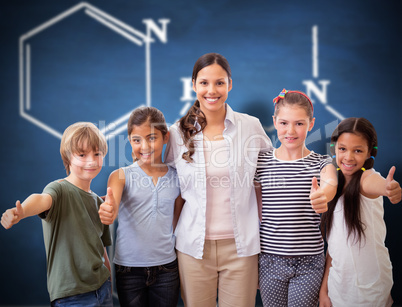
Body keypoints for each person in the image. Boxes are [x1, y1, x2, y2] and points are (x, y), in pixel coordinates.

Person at [164, 52, 273, 307]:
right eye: (204, 83)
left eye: (219, 82)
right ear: (193, 85)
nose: (211, 90)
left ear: (230, 85)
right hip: (192, 249)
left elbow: (269, 177)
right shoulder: (176, 133)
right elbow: (171, 191)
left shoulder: (251, 127)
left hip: (241, 248)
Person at [1, 122, 113, 306]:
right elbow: (41, 199)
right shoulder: (59, 189)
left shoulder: (99, 201)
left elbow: (101, 248)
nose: (91, 161)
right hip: (73, 295)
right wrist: (20, 213)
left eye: (97, 154)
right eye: (82, 155)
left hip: (102, 288)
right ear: (68, 157)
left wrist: (108, 280)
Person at [255, 89, 338, 307]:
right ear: (274, 122)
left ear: (311, 124)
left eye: (299, 124)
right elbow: (252, 208)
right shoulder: (261, 161)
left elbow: (330, 182)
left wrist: (323, 195)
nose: (290, 130)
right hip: (269, 260)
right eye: (284, 123)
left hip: (309, 264)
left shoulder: (322, 162)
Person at [98, 106, 183, 307]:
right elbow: (113, 207)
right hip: (129, 270)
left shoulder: (178, 177)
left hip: (167, 268)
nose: (144, 146)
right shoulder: (120, 176)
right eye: (137, 140)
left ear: (165, 137)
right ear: (130, 141)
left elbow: (178, 223)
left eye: (152, 138)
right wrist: (108, 212)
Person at [319, 117, 401, 307]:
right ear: (334, 149)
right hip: (339, 287)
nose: (348, 157)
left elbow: (379, 185)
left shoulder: (367, 178)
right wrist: (325, 290)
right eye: (342, 149)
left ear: (369, 153)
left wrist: (389, 189)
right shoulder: (333, 185)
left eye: (357, 151)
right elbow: (334, 247)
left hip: (370, 290)